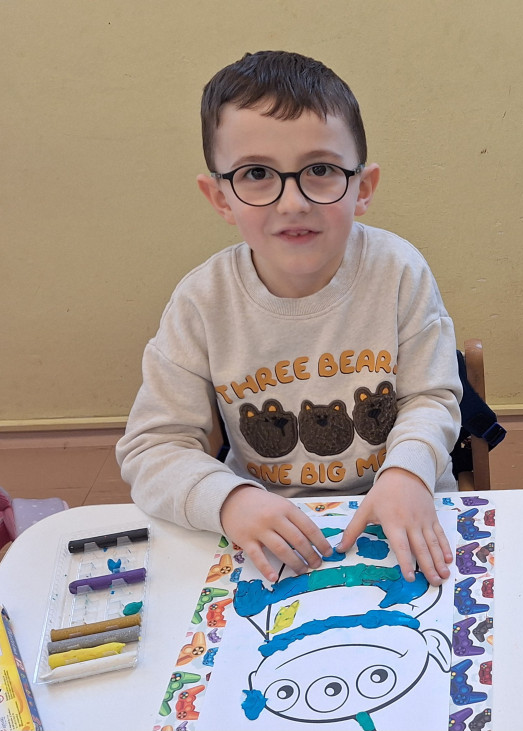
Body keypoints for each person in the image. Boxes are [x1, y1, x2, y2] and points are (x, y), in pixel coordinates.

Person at [116, 51, 460, 585]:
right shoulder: (200, 302)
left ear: (363, 187)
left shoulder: (399, 270)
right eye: (256, 173)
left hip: (404, 511)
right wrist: (229, 500)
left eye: (320, 170)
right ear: (220, 197)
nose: (293, 202)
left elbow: (431, 398)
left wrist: (407, 472)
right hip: (267, 532)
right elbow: (153, 448)